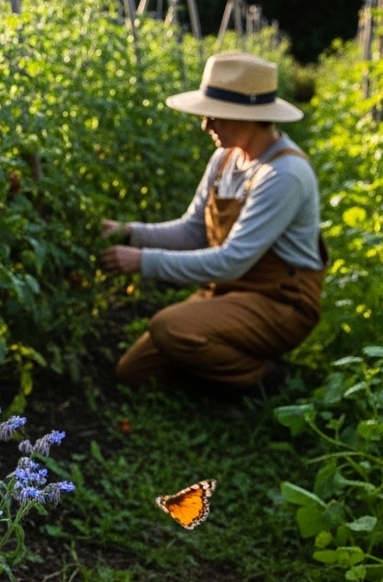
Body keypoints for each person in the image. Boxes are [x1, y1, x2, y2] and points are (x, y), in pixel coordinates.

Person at [99, 51, 327, 390]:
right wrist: (131, 232)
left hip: (281, 302)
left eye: (215, 115)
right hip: (229, 293)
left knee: (170, 327)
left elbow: (232, 260)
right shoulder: (225, 159)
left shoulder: (284, 173)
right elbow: (193, 230)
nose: (206, 124)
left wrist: (142, 261)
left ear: (250, 116)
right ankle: (221, 363)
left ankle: (268, 379)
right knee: (133, 372)